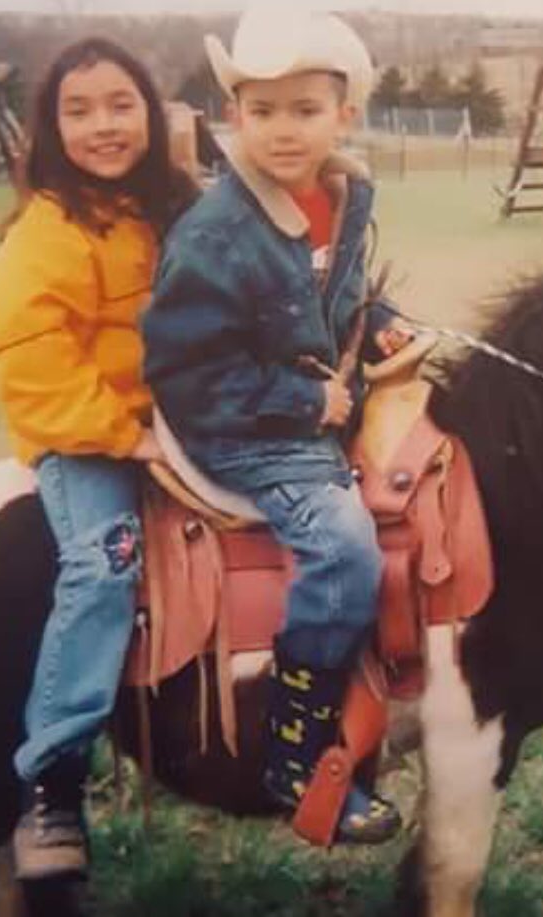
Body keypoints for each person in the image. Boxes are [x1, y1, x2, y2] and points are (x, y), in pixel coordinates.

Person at [142, 9, 408, 845]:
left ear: (345, 116)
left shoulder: (343, 195)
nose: (283, 130)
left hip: (307, 400)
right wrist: (308, 406)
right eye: (263, 111)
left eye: (304, 109)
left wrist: (386, 322)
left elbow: (342, 294)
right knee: (344, 543)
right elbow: (186, 373)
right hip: (239, 427)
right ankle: (293, 749)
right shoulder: (216, 232)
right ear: (234, 118)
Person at [0, 37, 196, 881]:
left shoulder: (172, 207)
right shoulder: (50, 228)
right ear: (50, 126)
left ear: (149, 110)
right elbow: (34, 358)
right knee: (104, 562)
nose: (103, 125)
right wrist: (126, 435)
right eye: (79, 110)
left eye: (119, 105)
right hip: (85, 434)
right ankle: (53, 776)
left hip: (177, 419)